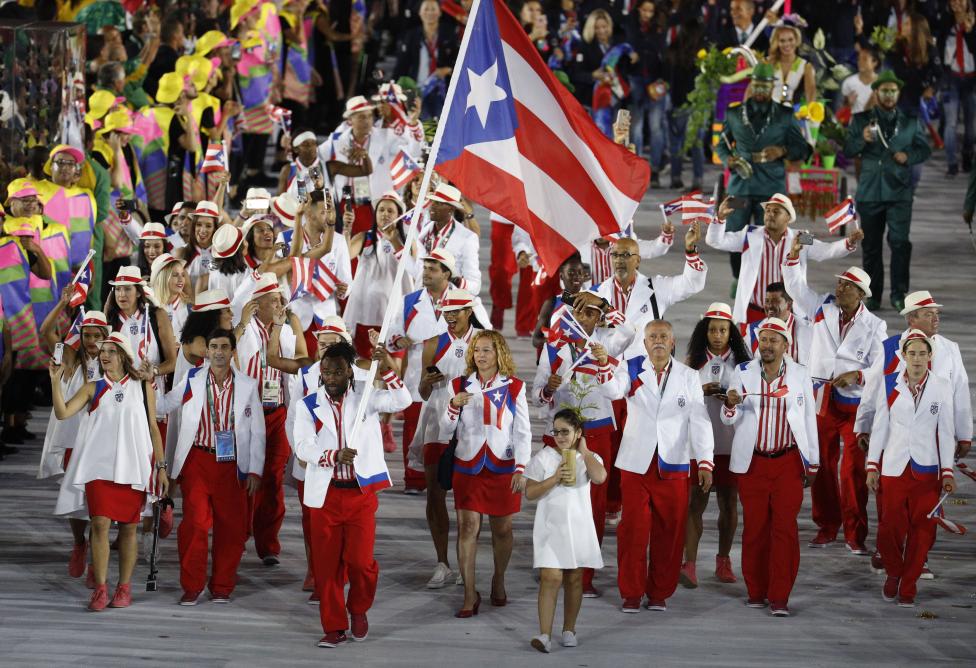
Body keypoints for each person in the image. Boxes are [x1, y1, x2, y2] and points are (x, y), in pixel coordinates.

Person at [293, 341, 411, 648]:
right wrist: (332, 456)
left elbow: (403, 400)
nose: (331, 377)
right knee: (327, 567)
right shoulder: (307, 405)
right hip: (325, 494)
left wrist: (387, 367)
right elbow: (303, 448)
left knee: (361, 563)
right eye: (326, 371)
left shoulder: (365, 399)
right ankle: (334, 627)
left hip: (359, 494)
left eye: (338, 371)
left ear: (350, 372)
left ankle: (358, 609)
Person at [599, 320, 714, 613]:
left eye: (664, 336)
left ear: (673, 341)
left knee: (670, 531)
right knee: (633, 531)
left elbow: (699, 420)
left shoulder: (689, 377)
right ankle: (632, 593)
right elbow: (613, 391)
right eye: (653, 337)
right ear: (645, 343)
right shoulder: (632, 367)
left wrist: (705, 461)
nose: (658, 341)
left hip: (673, 463)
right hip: (636, 463)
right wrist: (603, 368)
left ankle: (660, 592)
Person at [51, 332, 168, 611]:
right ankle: (101, 588)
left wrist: (161, 468)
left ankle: (124, 586)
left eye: (111, 351)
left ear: (124, 356)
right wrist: (56, 383)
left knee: (129, 528)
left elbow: (153, 427)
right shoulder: (94, 387)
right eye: (103, 351)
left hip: (132, 466)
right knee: (100, 524)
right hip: (98, 467)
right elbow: (63, 413)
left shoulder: (142, 386)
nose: (104, 355)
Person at [533, 288, 635, 597]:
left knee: (594, 504)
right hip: (562, 434)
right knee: (556, 500)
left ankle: (584, 575)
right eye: (580, 311)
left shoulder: (606, 342)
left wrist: (604, 304)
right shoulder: (555, 347)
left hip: (598, 430)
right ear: (572, 314)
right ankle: (554, 565)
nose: (585, 317)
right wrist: (548, 391)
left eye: (592, 312)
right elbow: (537, 397)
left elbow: (630, 330)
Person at [783, 250, 886, 554]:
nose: (839, 289)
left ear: (860, 294)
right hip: (821, 399)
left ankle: (855, 534)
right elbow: (795, 287)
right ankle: (827, 525)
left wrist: (859, 375)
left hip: (855, 405)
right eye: (839, 284)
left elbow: (881, 367)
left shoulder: (876, 326)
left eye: (846, 286)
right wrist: (793, 257)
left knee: (853, 470)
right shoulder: (821, 309)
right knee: (823, 466)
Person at [721, 317, 820, 617]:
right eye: (763, 339)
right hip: (753, 463)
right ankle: (756, 590)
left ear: (785, 345)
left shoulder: (801, 375)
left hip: (788, 462)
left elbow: (808, 421)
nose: (766, 345)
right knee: (755, 530)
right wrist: (730, 404)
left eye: (773, 340)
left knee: (784, 531)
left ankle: (779, 597)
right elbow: (729, 419)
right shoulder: (743, 372)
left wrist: (812, 462)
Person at [162, 328, 265, 605]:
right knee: (195, 524)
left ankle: (222, 586)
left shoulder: (247, 384)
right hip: (198, 460)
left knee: (231, 528)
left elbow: (258, 430)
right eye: (214, 347)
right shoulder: (192, 379)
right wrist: (147, 386)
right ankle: (192, 585)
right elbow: (166, 404)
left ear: (233, 351)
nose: (218, 352)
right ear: (207, 351)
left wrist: (255, 469)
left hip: (232, 464)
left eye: (224, 347)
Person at [441, 330, 532, 618]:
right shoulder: (458, 385)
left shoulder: (515, 387)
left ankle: (498, 579)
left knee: (502, 530)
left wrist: (521, 467)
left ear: (499, 354)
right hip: (467, 465)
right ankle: (469, 593)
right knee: (468, 528)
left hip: (503, 467)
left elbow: (523, 431)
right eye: (477, 350)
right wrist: (453, 407)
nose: (480, 355)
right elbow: (445, 429)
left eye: (487, 350)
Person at [866, 330, 957, 608]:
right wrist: (872, 465)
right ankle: (894, 572)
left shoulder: (942, 386)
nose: (917, 359)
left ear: (930, 356)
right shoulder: (889, 383)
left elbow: (945, 431)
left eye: (922, 353)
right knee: (889, 528)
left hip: (927, 470)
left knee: (922, 530)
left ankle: (909, 583)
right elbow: (880, 426)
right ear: (903, 356)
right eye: (912, 353)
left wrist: (948, 471)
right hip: (894, 467)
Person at [234, 272, 311, 566]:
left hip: (278, 410)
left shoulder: (288, 328)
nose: (281, 303)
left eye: (281, 298)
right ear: (257, 304)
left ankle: (268, 544)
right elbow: (224, 348)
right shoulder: (242, 328)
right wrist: (240, 322)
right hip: (248, 413)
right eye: (274, 299)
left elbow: (303, 360)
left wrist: (287, 325)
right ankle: (240, 534)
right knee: (246, 478)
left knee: (273, 479)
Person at [843, 70, 932, 312]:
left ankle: (899, 292)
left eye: (893, 91)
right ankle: (872, 294)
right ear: (876, 92)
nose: (889, 95)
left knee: (900, 242)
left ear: (899, 93)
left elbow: (925, 150)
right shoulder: (861, 120)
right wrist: (861, 139)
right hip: (870, 191)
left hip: (900, 191)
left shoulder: (911, 121)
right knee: (871, 245)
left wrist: (909, 156)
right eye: (885, 90)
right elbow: (848, 150)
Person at [411, 289, 481, 589]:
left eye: (456, 311)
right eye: (446, 312)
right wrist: (426, 381)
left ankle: (467, 561)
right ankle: (443, 562)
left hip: (474, 427)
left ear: (469, 311)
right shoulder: (433, 343)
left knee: (470, 502)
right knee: (435, 495)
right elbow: (423, 393)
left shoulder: (485, 340)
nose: (450, 317)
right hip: (437, 426)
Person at [715, 62, 811, 277]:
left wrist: (783, 150)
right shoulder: (733, 113)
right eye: (757, 85)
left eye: (765, 87)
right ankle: (738, 279)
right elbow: (721, 144)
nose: (760, 91)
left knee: (771, 235)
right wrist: (727, 159)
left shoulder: (785, 115)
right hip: (739, 186)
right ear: (751, 85)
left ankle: (764, 279)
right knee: (734, 234)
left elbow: (801, 148)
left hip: (770, 187)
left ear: (772, 87)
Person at [525, 408, 608, 654]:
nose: (560, 436)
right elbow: (529, 493)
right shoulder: (544, 457)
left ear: (577, 433)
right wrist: (554, 479)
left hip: (578, 527)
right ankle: (544, 634)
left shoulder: (587, 459)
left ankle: (569, 629)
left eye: (566, 432)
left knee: (574, 579)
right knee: (550, 578)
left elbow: (601, 477)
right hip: (550, 528)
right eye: (556, 431)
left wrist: (584, 451)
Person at [707, 193, 861, 325]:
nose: (770, 214)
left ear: (788, 217)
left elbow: (825, 250)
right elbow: (716, 241)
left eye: (776, 211)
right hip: (754, 311)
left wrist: (848, 243)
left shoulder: (801, 236)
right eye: (767, 211)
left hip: (789, 313)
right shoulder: (750, 233)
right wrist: (719, 218)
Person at [681, 303, 752, 587]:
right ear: (705, 331)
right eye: (712, 329)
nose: (718, 335)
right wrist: (700, 391)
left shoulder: (744, 363)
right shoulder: (691, 361)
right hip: (699, 445)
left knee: (728, 503)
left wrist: (732, 398)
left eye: (723, 329)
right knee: (695, 502)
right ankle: (690, 563)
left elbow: (750, 398)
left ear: (731, 331)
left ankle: (724, 560)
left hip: (729, 442)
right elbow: (680, 396)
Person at [38, 305, 109, 583]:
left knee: (100, 503)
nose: (91, 341)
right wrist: (62, 302)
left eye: (96, 336)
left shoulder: (114, 360)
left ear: (106, 335)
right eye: (87, 335)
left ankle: (96, 559)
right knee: (77, 500)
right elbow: (45, 331)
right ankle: (80, 543)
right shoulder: (70, 358)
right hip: (75, 439)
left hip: (104, 438)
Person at [387, 249, 454, 493]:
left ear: (446, 274)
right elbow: (392, 336)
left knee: (448, 429)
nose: (425, 272)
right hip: (417, 376)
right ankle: (414, 480)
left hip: (452, 377)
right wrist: (398, 341)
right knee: (414, 428)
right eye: (424, 268)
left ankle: (446, 477)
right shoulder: (410, 301)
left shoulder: (463, 300)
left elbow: (482, 331)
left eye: (432, 269)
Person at [345, 191, 414, 360]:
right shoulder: (365, 237)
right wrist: (347, 230)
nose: (385, 214)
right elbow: (345, 256)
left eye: (390, 211)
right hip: (364, 316)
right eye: (381, 210)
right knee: (364, 368)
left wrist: (394, 240)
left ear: (399, 215)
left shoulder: (408, 242)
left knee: (392, 371)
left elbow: (411, 267)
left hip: (394, 318)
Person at [416, 183, 481, 294]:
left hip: (448, 303)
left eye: (439, 203)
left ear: (451, 208)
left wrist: (454, 280)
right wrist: (395, 244)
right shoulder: (425, 230)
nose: (433, 205)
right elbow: (417, 270)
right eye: (433, 201)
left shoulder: (467, 238)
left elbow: (475, 286)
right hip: (422, 300)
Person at [939, 0, 976, 177]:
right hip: (950, 78)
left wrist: (969, 32)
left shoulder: (974, 22)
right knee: (951, 124)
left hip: (971, 80)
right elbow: (938, 48)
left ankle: (967, 154)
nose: (957, 3)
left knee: (971, 127)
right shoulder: (945, 21)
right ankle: (952, 163)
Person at [744, 282, 813, 365]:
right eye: (767, 301)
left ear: (789, 304)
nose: (769, 305)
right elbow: (747, 365)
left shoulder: (809, 329)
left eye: (775, 301)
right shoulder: (751, 330)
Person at [767, 19, 817, 106]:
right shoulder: (768, 63)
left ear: (796, 40)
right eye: (782, 41)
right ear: (777, 42)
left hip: (793, 113)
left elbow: (811, 93)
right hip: (770, 111)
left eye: (790, 40)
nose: (787, 44)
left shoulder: (805, 66)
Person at [150, 253, 190, 345]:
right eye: (175, 275)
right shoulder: (147, 308)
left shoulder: (190, 309)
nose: (181, 279)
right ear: (163, 278)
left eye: (183, 275)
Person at [840, 46, 880, 115]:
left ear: (875, 62)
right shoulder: (849, 82)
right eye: (858, 59)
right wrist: (848, 104)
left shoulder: (882, 84)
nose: (860, 62)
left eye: (864, 59)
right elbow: (842, 114)